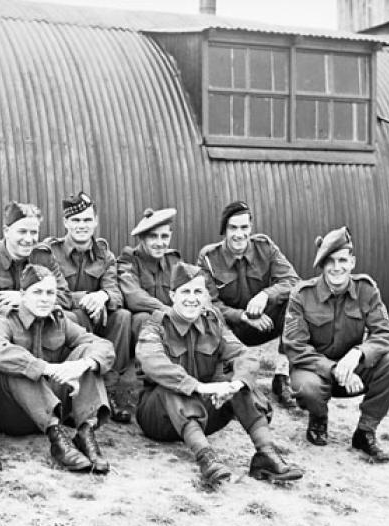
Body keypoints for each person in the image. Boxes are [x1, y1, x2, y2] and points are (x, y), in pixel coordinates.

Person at [136, 262, 303, 484]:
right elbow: (151, 361)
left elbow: (245, 355)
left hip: (203, 415)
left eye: (198, 292)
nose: (192, 298)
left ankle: (266, 454)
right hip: (159, 418)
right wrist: (199, 386)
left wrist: (235, 385)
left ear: (206, 295)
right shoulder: (156, 324)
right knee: (173, 388)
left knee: (241, 383)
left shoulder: (213, 321)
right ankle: (206, 457)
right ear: (172, 295)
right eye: (185, 291)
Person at [282, 227, 389, 462]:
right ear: (321, 264)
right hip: (315, 372)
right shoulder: (302, 294)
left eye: (342, 260)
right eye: (329, 261)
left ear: (352, 262)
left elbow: (386, 334)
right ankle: (318, 418)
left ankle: (365, 431)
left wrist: (358, 354)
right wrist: (334, 369)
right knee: (306, 388)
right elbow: (295, 346)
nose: (336, 267)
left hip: (354, 370)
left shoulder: (366, 290)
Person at [0, 264, 115, 473]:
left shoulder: (60, 321)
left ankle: (85, 432)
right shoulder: (4, 320)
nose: (44, 298)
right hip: (11, 413)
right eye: (37, 292)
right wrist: (46, 368)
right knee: (20, 365)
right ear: (23, 295)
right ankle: (58, 440)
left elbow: (103, 346)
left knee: (86, 355)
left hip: (50, 407)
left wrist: (81, 365)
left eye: (50, 293)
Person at [197, 201, 300, 407]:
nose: (239, 234)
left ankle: (282, 376)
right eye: (233, 228)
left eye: (244, 227)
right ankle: (229, 378)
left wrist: (265, 295)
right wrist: (243, 316)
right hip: (231, 328)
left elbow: (293, 281)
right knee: (207, 316)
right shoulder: (209, 258)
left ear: (250, 228)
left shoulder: (265, 247)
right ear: (224, 229)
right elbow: (211, 302)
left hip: (265, 322)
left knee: (297, 301)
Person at [44, 191, 133, 422]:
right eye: (75, 220)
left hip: (98, 321)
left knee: (122, 316)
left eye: (86, 219)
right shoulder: (49, 252)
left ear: (95, 221)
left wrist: (103, 296)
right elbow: (49, 294)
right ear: (65, 222)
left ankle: (112, 388)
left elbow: (115, 293)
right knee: (71, 316)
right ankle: (72, 388)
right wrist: (86, 298)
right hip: (69, 323)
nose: (81, 225)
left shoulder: (105, 254)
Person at [0, 202, 72, 341]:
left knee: (70, 317)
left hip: (37, 323)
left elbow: (64, 296)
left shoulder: (43, 256)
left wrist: (24, 299)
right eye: (22, 231)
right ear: (6, 231)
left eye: (33, 232)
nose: (28, 239)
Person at [117, 207, 183, 345]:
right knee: (145, 317)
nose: (159, 243)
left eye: (164, 236)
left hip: (171, 325)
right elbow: (134, 297)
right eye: (153, 236)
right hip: (139, 333)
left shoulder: (174, 261)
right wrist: (166, 310)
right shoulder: (129, 260)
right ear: (142, 238)